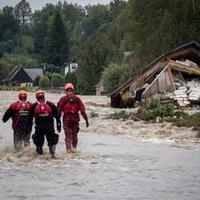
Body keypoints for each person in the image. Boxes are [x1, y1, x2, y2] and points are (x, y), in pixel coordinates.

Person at [26, 90, 61, 157]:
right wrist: (59, 125)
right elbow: (57, 116)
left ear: (36, 97)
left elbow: (29, 119)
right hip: (50, 127)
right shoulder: (51, 104)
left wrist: (27, 129)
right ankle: (52, 154)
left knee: (39, 146)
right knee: (52, 143)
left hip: (39, 128)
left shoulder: (33, 106)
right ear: (44, 96)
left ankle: (40, 159)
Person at [57, 83, 89, 153]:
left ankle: (68, 151)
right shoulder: (77, 99)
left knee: (68, 136)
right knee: (74, 135)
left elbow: (58, 111)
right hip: (75, 119)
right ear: (72, 90)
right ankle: (74, 150)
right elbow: (82, 111)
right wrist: (86, 120)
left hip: (67, 119)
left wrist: (58, 122)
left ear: (65, 90)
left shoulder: (63, 99)